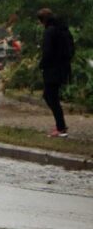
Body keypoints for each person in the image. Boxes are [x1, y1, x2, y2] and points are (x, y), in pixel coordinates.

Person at [37, 7, 75, 137]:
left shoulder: (49, 32)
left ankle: (61, 127)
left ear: (42, 21)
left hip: (52, 69)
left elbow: (47, 52)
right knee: (52, 96)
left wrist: (42, 64)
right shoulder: (63, 29)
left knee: (50, 96)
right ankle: (60, 125)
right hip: (63, 68)